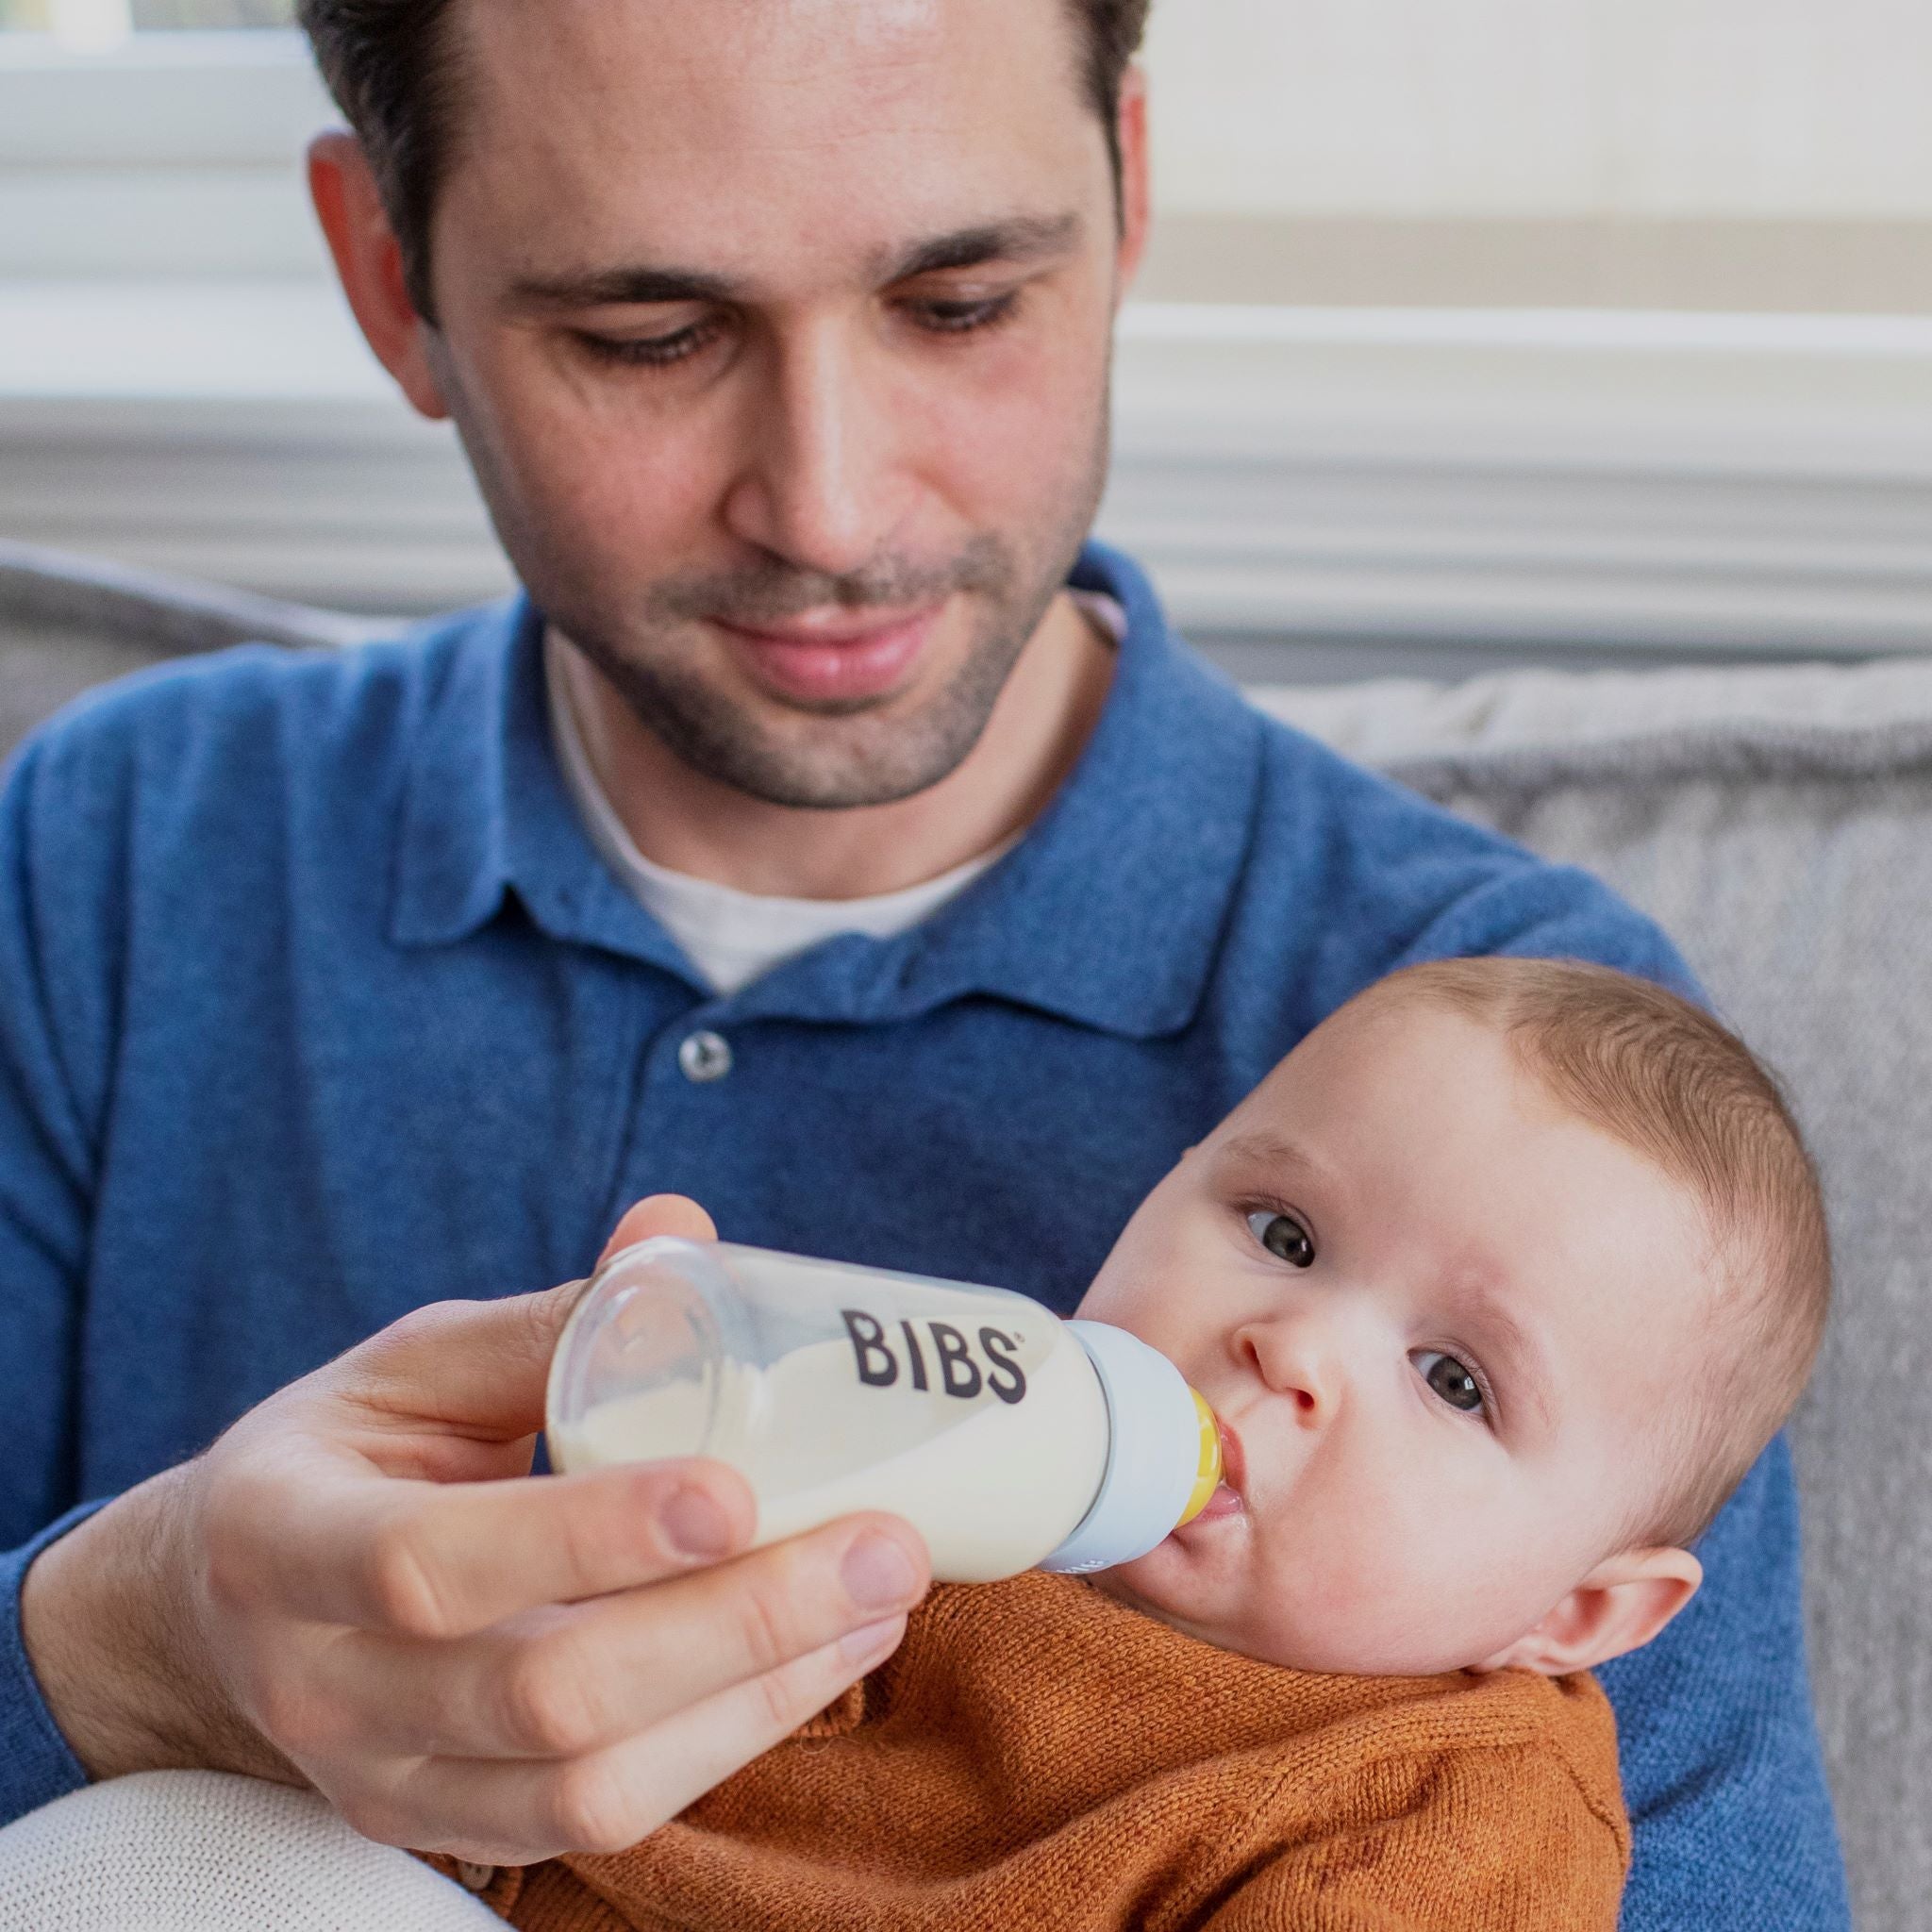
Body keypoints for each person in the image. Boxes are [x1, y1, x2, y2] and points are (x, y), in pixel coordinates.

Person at [0, 0, 1845, 1924]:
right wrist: (125, 1637)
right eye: (649, 334)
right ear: (392, 278)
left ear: (1125, 189)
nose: (830, 507)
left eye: (960, 303)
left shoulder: (1528, 1107)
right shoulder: (129, 854)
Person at [411, 958, 1830, 1929]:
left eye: (1455, 1380)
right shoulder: (954, 1442)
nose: (1292, 1349)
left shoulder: (1446, 1807)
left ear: (1575, 1614)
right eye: (1283, 1235)